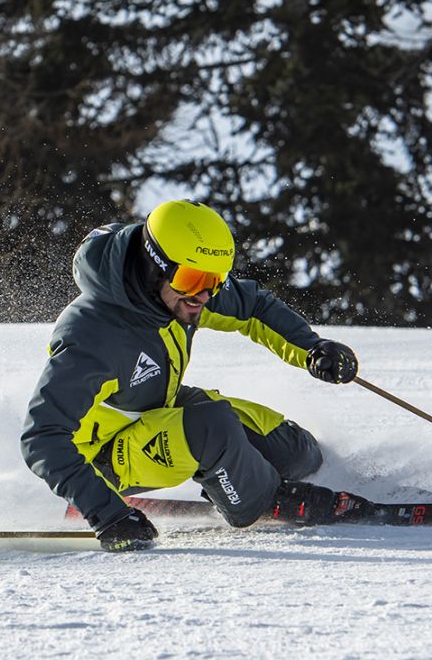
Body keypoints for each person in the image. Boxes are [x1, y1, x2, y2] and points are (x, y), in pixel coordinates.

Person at [21, 199, 365, 552]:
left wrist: (312, 349)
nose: (202, 294)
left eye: (214, 281)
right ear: (154, 265)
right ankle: (259, 500)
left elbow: (253, 308)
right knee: (210, 425)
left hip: (154, 409)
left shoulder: (181, 289)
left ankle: (251, 478)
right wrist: (106, 512)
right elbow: (42, 436)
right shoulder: (94, 336)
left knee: (295, 452)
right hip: (104, 458)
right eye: (192, 279)